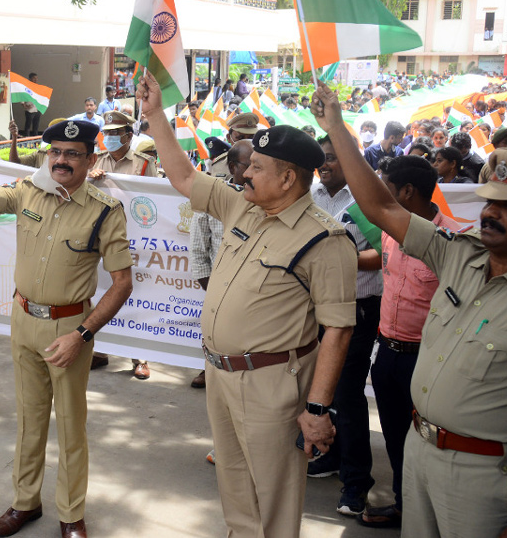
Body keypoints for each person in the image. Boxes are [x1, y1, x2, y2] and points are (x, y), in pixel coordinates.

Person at [311, 82, 507, 538]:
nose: (491, 214)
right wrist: (336, 125)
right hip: (418, 452)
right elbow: (380, 205)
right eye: (490, 203)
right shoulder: (458, 256)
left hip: (484, 477)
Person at [137, 72, 356, 537]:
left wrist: (317, 410)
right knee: (235, 486)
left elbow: (338, 329)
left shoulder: (326, 239)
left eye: (257, 167)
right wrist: (156, 115)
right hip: (220, 372)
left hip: (271, 384)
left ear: (289, 177)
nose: (245, 173)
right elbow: (181, 174)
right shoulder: (242, 206)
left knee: (273, 495)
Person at [0, 119, 132, 538]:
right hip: (23, 321)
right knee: (30, 419)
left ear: (89, 159)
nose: (61, 160)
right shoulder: (27, 191)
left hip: (70, 330)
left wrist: (82, 335)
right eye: (55, 152)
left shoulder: (105, 210)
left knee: (72, 425)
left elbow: (122, 284)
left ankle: (71, 515)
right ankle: (25, 503)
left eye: (72, 153)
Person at [358, 155, 456, 529]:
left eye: (384, 184)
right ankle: (404, 505)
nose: (377, 191)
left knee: (426, 445)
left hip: (427, 360)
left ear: (407, 191)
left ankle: (427, 516)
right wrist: (346, 258)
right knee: (396, 437)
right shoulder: (389, 229)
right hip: (388, 355)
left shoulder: (450, 242)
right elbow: (379, 260)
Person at [307, 135, 384, 518]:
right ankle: (330, 456)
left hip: (357, 309)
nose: (325, 164)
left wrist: (341, 260)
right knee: (322, 391)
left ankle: (356, 484)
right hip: (316, 309)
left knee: (347, 395)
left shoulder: (365, 201)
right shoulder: (312, 195)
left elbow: (383, 255)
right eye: (322, 158)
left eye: (334, 159)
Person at [87, 110, 156, 379]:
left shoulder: (143, 163)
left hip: (134, 236)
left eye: (116, 133)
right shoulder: (96, 160)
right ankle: (100, 350)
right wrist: (90, 178)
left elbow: (155, 200)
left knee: (136, 293)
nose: (111, 138)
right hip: (101, 236)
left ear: (129, 135)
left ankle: (140, 356)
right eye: (107, 133)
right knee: (99, 290)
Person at [188, 140, 252, 392]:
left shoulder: (266, 199)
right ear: (234, 167)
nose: (254, 171)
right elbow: (197, 249)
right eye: (250, 165)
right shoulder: (212, 198)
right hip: (219, 287)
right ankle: (210, 370)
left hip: (256, 289)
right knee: (216, 336)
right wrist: (213, 288)